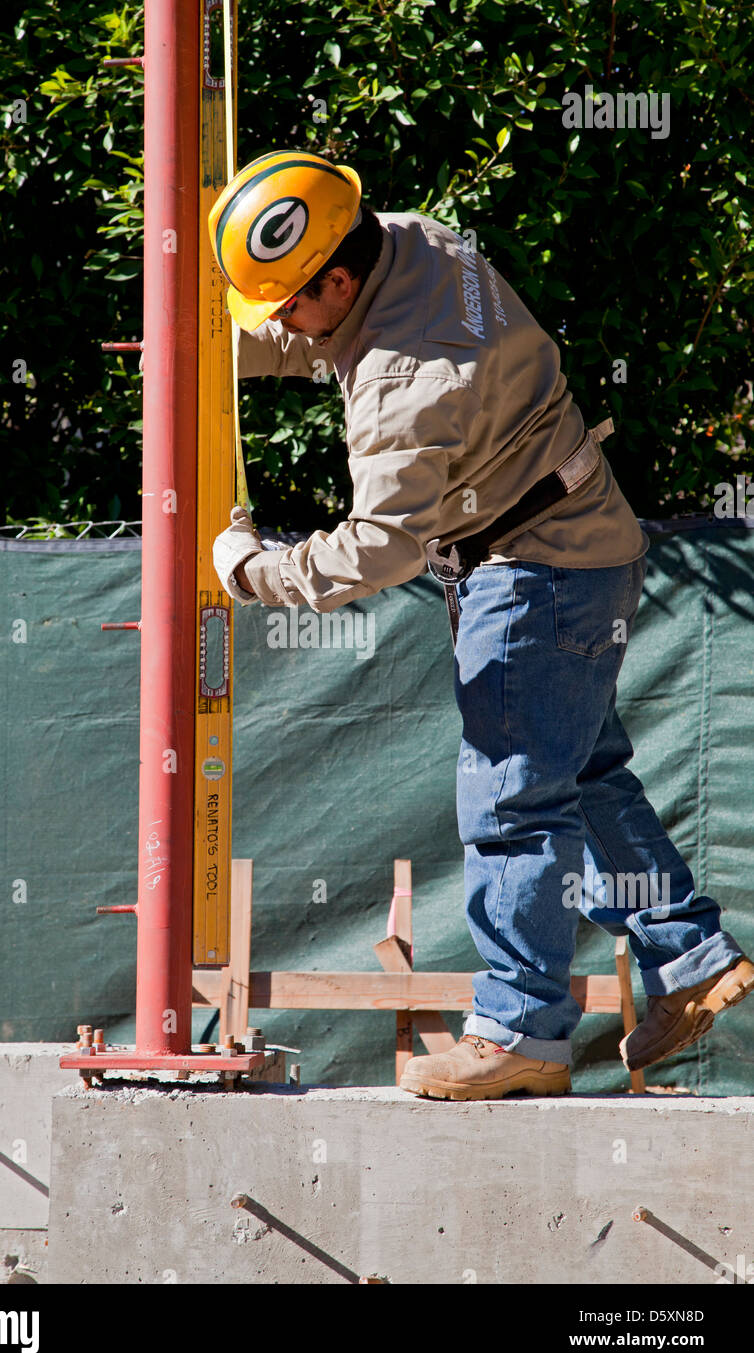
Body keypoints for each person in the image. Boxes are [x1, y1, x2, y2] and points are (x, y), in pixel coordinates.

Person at [210, 150, 753, 1100]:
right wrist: (212, 336)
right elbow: (323, 337)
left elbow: (376, 550)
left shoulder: (404, 389)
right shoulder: (414, 241)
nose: (284, 325)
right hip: (585, 548)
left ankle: (521, 1035)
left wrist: (255, 574)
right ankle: (690, 952)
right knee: (578, 774)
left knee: (511, 802)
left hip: (533, 577)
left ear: (338, 278)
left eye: (289, 304)